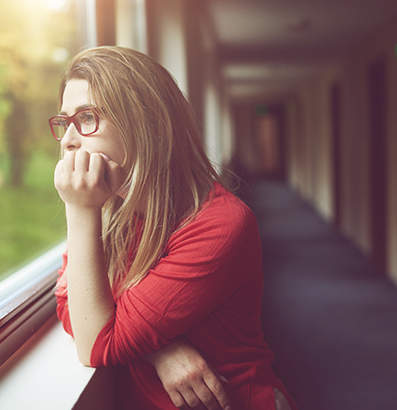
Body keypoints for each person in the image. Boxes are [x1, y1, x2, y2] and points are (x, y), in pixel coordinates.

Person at [53, 46, 297, 410]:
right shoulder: (112, 210)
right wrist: (161, 349)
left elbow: (95, 344)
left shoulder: (220, 223)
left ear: (144, 121)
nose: (70, 140)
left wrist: (79, 209)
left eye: (87, 117)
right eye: (64, 123)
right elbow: (69, 305)